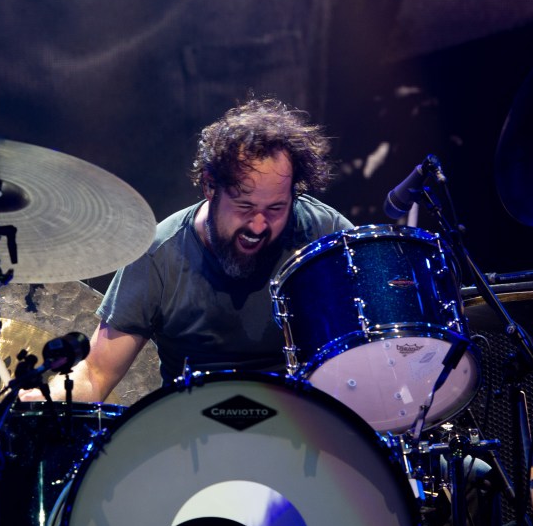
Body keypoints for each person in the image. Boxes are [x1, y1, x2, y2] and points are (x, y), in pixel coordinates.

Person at [24, 96, 354, 403]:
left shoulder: (321, 232)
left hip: (305, 423)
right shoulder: (160, 253)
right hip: (193, 434)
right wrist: (42, 402)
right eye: (244, 206)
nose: (258, 225)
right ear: (211, 187)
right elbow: (97, 372)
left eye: (276, 209)